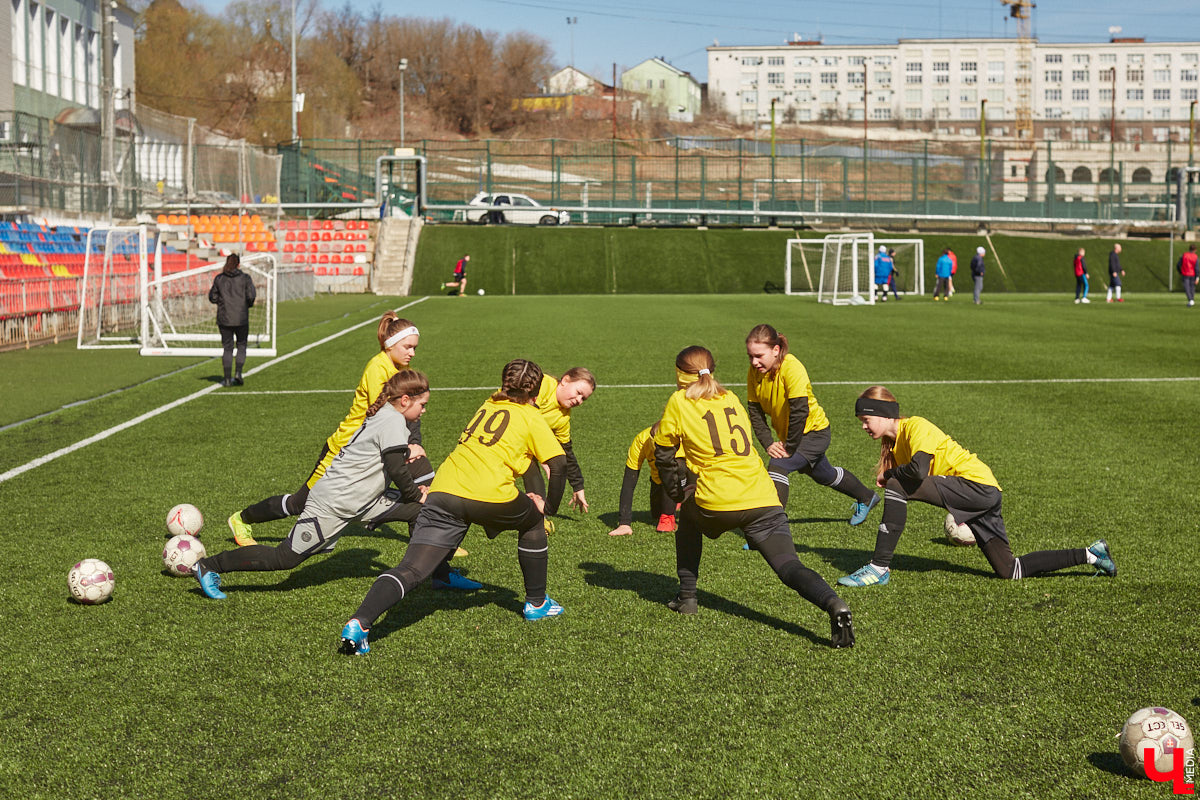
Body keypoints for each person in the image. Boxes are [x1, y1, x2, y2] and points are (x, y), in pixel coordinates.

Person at [338, 360, 570, 655]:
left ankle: (360, 622)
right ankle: (537, 603)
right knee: (532, 521)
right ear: (537, 393)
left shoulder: (488, 404)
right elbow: (558, 464)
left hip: (444, 489)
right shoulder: (532, 417)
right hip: (489, 495)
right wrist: (547, 506)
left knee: (411, 568)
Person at [192, 371, 479, 599]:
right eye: (423, 404)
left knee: (426, 512)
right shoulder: (392, 422)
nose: (424, 411)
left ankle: (439, 574)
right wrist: (417, 493)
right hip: (334, 504)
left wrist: (414, 483)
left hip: (366, 500)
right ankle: (211, 566)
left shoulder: (388, 416)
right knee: (284, 558)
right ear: (405, 400)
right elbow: (395, 468)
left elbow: (388, 459)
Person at [652, 346, 854, 648]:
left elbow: (664, 452)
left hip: (718, 500)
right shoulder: (730, 397)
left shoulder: (679, 401)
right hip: (763, 496)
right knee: (789, 566)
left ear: (680, 375)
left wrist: (675, 492)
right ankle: (834, 604)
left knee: (689, 524)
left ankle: (688, 597)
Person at [837, 385, 1116, 588]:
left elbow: (919, 470)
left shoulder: (915, 427)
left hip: (977, 486)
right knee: (1010, 570)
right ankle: (1092, 554)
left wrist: (891, 477)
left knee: (897, 482)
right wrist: (893, 475)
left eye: (865, 420)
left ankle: (878, 568)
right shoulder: (896, 445)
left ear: (884, 414)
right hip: (985, 494)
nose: (863, 427)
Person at [226, 312, 434, 548]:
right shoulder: (379, 368)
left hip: (370, 448)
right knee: (299, 503)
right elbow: (388, 415)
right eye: (407, 347)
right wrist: (409, 444)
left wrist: (412, 442)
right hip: (344, 449)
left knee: (421, 477)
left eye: (414, 348)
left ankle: (429, 545)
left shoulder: (396, 369)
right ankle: (242, 519)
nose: (412, 353)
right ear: (390, 344)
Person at [745, 324, 879, 526]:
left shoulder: (792, 367)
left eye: (759, 356)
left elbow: (800, 411)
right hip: (794, 435)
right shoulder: (755, 372)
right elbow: (755, 411)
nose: (754, 362)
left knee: (778, 466)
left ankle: (772, 529)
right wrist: (768, 443)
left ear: (776, 350)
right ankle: (867, 497)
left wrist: (789, 447)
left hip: (814, 433)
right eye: (750, 356)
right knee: (825, 474)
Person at [522, 367, 595, 533]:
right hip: (498, 440)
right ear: (565, 380)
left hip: (521, 450)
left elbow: (566, 453)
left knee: (536, 483)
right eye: (578, 392)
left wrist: (578, 487)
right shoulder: (543, 384)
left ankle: (538, 524)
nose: (579, 400)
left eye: (583, 398)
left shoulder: (563, 418)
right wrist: (543, 459)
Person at [608, 422, 692, 536]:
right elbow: (629, 481)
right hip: (657, 479)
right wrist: (624, 523)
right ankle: (675, 501)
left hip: (681, 477)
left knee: (679, 467)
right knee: (655, 514)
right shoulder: (641, 441)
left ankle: (672, 511)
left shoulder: (683, 440)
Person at [207, 253, 256, 387]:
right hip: (241, 318)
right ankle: (238, 373)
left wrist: (221, 303)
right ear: (238, 264)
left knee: (227, 348)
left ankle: (227, 379)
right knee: (241, 345)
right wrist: (246, 305)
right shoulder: (245, 278)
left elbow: (212, 297)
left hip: (224, 318)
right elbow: (251, 296)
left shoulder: (219, 279)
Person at [1178, 243, 1197, 307]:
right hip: (1193, 274)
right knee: (1192, 288)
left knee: (1187, 287)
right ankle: (1192, 299)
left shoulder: (1184, 255)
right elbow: (1197, 268)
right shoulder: (1195, 257)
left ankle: (1190, 300)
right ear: (1195, 250)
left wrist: (1180, 271)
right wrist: (1197, 277)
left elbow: (1178, 265)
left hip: (1185, 273)